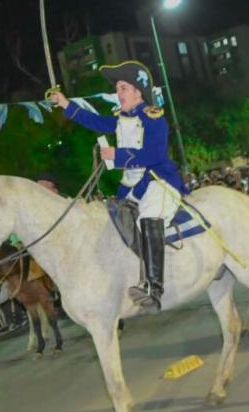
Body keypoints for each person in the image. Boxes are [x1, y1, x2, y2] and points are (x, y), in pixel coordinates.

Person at [49, 60, 188, 309]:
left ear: (138, 91)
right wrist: (65, 104)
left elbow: (154, 155)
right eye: (118, 88)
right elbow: (94, 122)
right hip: (131, 185)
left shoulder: (154, 119)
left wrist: (118, 156)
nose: (118, 93)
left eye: (123, 88)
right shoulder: (120, 118)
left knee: (148, 217)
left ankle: (154, 287)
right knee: (112, 222)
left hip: (158, 180)